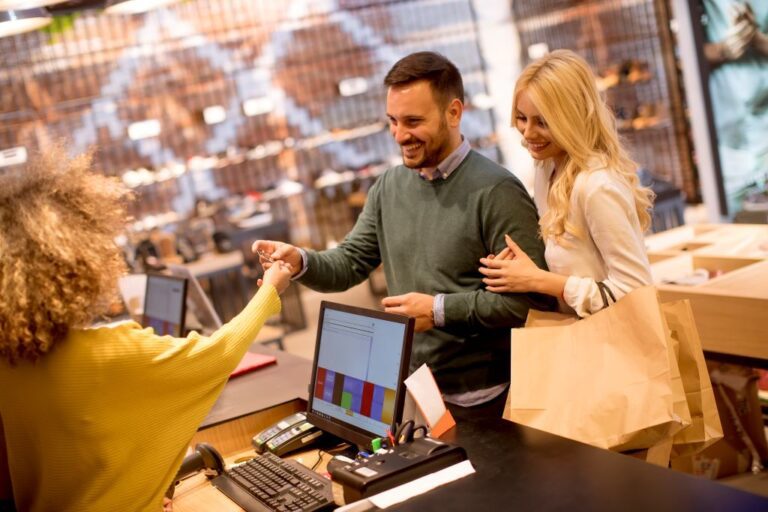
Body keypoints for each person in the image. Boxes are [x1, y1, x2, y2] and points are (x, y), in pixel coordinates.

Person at [254, 51, 554, 415]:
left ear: (454, 112)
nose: (399, 135)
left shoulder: (496, 192)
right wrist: (300, 260)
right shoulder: (389, 186)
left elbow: (529, 302)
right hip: (416, 391)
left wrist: (439, 310)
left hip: (491, 396)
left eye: (413, 121)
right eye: (392, 122)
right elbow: (350, 263)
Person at [0, 146, 293, 512]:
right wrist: (271, 288)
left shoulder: (9, 362)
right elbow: (219, 354)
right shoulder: (111, 351)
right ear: (79, 262)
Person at [479, 49, 654, 317]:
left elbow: (636, 291)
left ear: (571, 118)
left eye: (542, 122)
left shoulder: (596, 186)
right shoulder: (546, 169)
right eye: (522, 118)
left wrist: (538, 280)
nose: (527, 133)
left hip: (611, 347)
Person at [699, 0, 768, 215]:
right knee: (731, 223)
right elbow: (678, 52)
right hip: (728, 134)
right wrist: (723, 49)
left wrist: (758, 41)